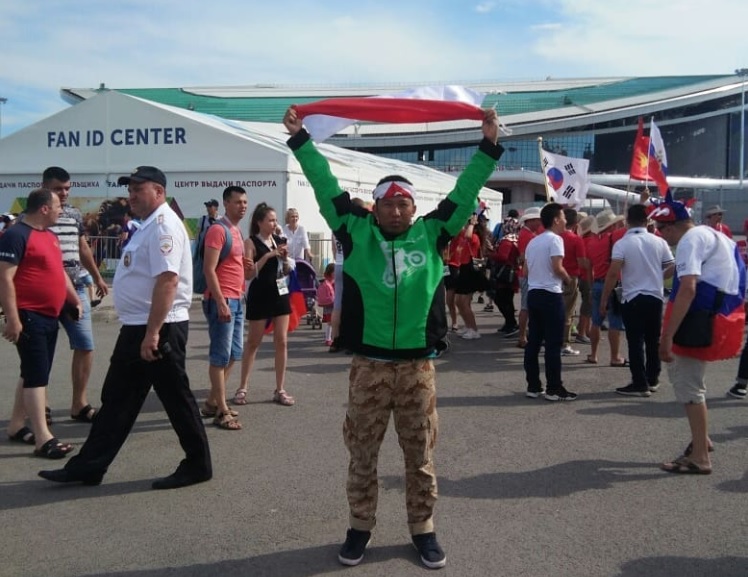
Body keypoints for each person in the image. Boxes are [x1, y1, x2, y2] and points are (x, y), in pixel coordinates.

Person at [283, 105, 502, 569]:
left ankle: (423, 529)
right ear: (376, 207)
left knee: (419, 453)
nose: (397, 211)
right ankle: (359, 528)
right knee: (362, 452)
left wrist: (487, 145)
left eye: (404, 204)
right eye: (389, 204)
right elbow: (324, 184)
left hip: (418, 368)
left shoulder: (433, 233)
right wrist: (301, 139)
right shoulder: (354, 231)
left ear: (413, 208)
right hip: (369, 367)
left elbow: (465, 193)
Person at [39, 166, 212, 489]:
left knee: (176, 398)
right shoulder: (148, 225)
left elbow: (168, 281)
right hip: (138, 327)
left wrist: (152, 333)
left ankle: (198, 464)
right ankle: (89, 466)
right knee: (117, 398)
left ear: (158, 192)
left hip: (158, 328)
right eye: (129, 189)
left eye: (138, 189)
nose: (130, 195)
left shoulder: (163, 226)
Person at [652, 192, 745, 474]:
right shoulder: (720, 238)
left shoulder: (690, 241)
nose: (660, 234)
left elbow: (688, 287)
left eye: (660, 229)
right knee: (684, 377)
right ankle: (701, 439)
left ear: (670, 227)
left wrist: (667, 335)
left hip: (695, 318)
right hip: (715, 315)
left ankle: (700, 456)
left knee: (690, 385)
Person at [1, 188, 81, 458]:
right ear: (44, 208)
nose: (62, 209)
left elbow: (58, 271)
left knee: (33, 370)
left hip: (50, 314)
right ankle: (43, 437)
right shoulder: (15, 235)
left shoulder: (49, 235)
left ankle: (15, 425)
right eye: (58, 205)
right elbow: (4, 279)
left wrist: (73, 300)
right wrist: (12, 319)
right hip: (29, 315)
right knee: (37, 376)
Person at [42, 167, 109, 423]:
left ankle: (79, 404)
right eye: (59, 188)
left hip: (77, 287)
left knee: (85, 344)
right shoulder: (35, 214)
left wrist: (97, 277)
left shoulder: (73, 214)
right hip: (46, 291)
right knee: (43, 351)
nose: (64, 193)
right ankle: (41, 405)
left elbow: (83, 248)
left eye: (67, 188)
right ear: (45, 186)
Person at [599, 204, 674, 397]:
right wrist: (657, 275)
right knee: (653, 339)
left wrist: (604, 299)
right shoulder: (659, 241)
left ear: (626, 220)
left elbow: (613, 272)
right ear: (648, 220)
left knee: (635, 341)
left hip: (632, 296)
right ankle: (653, 378)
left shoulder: (622, 243)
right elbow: (672, 266)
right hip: (655, 295)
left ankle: (639, 382)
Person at [235, 202, 295, 407]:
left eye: (275, 220)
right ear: (259, 222)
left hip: (280, 292)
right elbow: (248, 273)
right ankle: (242, 387)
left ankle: (280, 388)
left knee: (282, 341)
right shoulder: (250, 242)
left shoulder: (279, 240)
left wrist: (285, 259)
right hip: (260, 293)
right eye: (270, 220)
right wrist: (268, 255)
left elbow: (286, 269)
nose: (274, 223)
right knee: (253, 342)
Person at [201, 185, 251, 430]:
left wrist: (247, 268)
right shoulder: (217, 230)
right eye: (238, 202)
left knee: (234, 353)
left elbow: (235, 266)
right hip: (222, 299)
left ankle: (212, 401)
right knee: (220, 356)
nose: (243, 206)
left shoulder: (236, 231)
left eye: (244, 202)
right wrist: (220, 301)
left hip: (237, 298)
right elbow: (209, 269)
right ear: (226, 204)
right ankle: (221, 410)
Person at [523, 203, 577, 401]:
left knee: (534, 342)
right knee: (553, 343)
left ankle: (533, 385)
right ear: (555, 219)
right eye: (562, 217)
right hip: (551, 294)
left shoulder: (533, 242)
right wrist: (568, 279)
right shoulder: (555, 240)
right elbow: (557, 267)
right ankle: (554, 387)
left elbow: (526, 271)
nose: (565, 221)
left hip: (534, 293)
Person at [586, 209, 627, 366]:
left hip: (596, 283)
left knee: (596, 321)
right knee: (615, 322)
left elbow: (589, 268)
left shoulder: (591, 242)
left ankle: (593, 354)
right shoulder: (614, 237)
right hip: (613, 285)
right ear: (611, 225)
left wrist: (590, 287)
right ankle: (614, 356)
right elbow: (629, 227)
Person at [453, 213, 486, 340]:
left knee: (464, 303)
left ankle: (474, 330)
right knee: (458, 302)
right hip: (462, 269)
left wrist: (472, 223)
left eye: (467, 223)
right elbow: (457, 231)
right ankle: (468, 326)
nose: (465, 225)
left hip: (470, 270)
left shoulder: (474, 237)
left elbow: (467, 235)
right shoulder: (463, 235)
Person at [559, 208, 587, 356]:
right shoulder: (576, 239)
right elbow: (582, 262)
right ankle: (564, 343)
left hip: (554, 276)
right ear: (576, 223)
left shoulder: (555, 236)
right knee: (568, 313)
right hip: (570, 277)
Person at [514, 207, 543, 348]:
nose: (540, 222)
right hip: (528, 274)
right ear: (531, 220)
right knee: (526, 306)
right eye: (538, 220)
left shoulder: (526, 233)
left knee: (527, 306)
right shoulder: (528, 235)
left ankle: (523, 335)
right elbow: (525, 257)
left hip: (527, 273)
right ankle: (522, 337)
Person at [574, 215, 596, 343]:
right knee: (587, 306)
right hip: (588, 277)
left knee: (587, 305)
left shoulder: (582, 240)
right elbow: (589, 265)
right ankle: (582, 332)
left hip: (581, 276)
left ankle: (585, 331)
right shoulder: (590, 241)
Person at [316, 262, 336, 346]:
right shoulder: (331, 282)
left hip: (328, 305)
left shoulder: (325, 281)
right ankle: (328, 339)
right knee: (331, 323)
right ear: (331, 273)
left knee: (330, 323)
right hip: (331, 305)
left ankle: (329, 338)